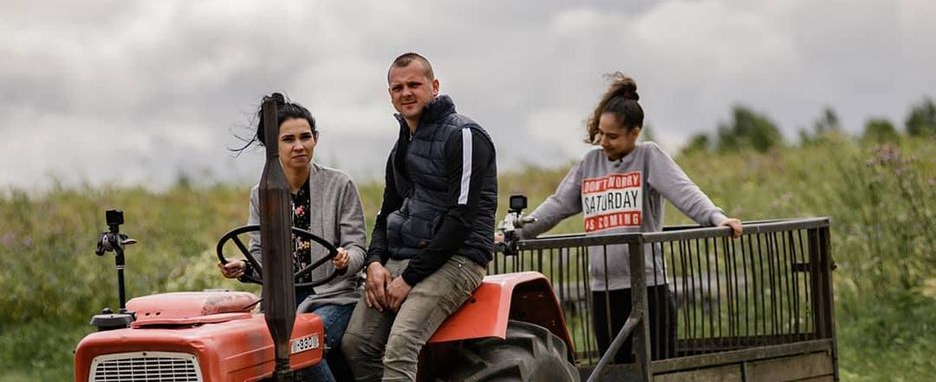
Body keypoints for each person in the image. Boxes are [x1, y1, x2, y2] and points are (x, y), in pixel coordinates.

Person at [512, 74, 742, 363]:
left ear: (635, 133)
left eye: (612, 136)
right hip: (604, 289)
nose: (603, 142)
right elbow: (557, 205)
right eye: (601, 134)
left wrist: (717, 218)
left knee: (658, 366)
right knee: (613, 369)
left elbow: (686, 192)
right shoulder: (590, 163)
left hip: (647, 286)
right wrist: (516, 234)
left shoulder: (649, 157)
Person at [341, 53, 498, 382]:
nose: (406, 93)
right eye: (398, 88)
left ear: (434, 86)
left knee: (400, 346)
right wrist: (374, 263)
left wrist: (410, 278)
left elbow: (461, 218)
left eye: (414, 84)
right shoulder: (400, 147)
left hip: (457, 258)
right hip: (404, 257)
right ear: (390, 95)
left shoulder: (465, 136)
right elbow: (386, 213)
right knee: (356, 344)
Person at [218, 93, 367, 382]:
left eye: (305, 137)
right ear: (273, 147)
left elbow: (358, 248)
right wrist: (244, 266)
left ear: (316, 139)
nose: (299, 146)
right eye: (288, 139)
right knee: (253, 349)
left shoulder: (340, 185)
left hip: (332, 297)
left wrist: (345, 259)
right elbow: (259, 254)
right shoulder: (262, 194)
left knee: (299, 343)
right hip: (280, 301)